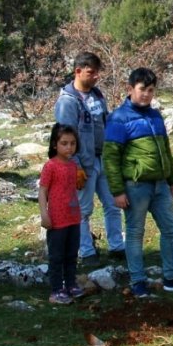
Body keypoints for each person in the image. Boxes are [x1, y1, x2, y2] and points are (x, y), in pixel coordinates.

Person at [102, 68, 173, 298]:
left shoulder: (155, 116)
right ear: (130, 88)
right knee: (135, 233)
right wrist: (117, 191)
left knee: (170, 227)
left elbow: (166, 151)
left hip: (161, 185)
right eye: (142, 89)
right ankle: (138, 281)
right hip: (135, 186)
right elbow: (110, 157)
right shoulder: (118, 118)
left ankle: (172, 277)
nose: (146, 94)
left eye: (151, 90)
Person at [54, 52, 125, 267]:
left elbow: (105, 121)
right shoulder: (67, 101)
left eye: (97, 73)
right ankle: (86, 250)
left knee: (113, 204)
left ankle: (117, 246)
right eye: (91, 72)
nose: (96, 77)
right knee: (83, 209)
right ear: (78, 71)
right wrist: (74, 167)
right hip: (83, 163)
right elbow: (65, 138)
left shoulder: (97, 95)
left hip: (104, 159)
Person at [39, 123, 85, 305]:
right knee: (56, 256)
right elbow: (43, 191)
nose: (69, 147)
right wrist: (44, 214)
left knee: (71, 254)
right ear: (54, 145)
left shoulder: (74, 166)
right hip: (57, 220)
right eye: (64, 143)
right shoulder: (50, 166)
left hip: (73, 217)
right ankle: (56, 290)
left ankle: (71, 284)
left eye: (72, 143)